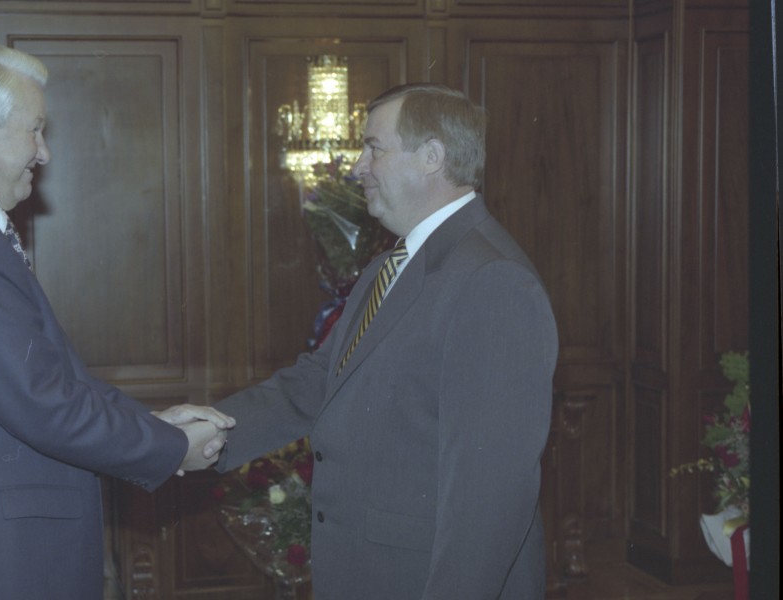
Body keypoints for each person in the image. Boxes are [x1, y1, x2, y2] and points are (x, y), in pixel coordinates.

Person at [0, 44, 234, 600]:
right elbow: (42, 402)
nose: (44, 153)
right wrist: (169, 447)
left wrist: (153, 421)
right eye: (35, 130)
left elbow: (45, 378)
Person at [199, 83, 559, 598]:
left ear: (431, 157)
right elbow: (318, 383)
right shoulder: (389, 267)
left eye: (374, 148)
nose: (357, 167)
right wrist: (193, 438)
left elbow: (490, 497)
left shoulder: (492, 281)